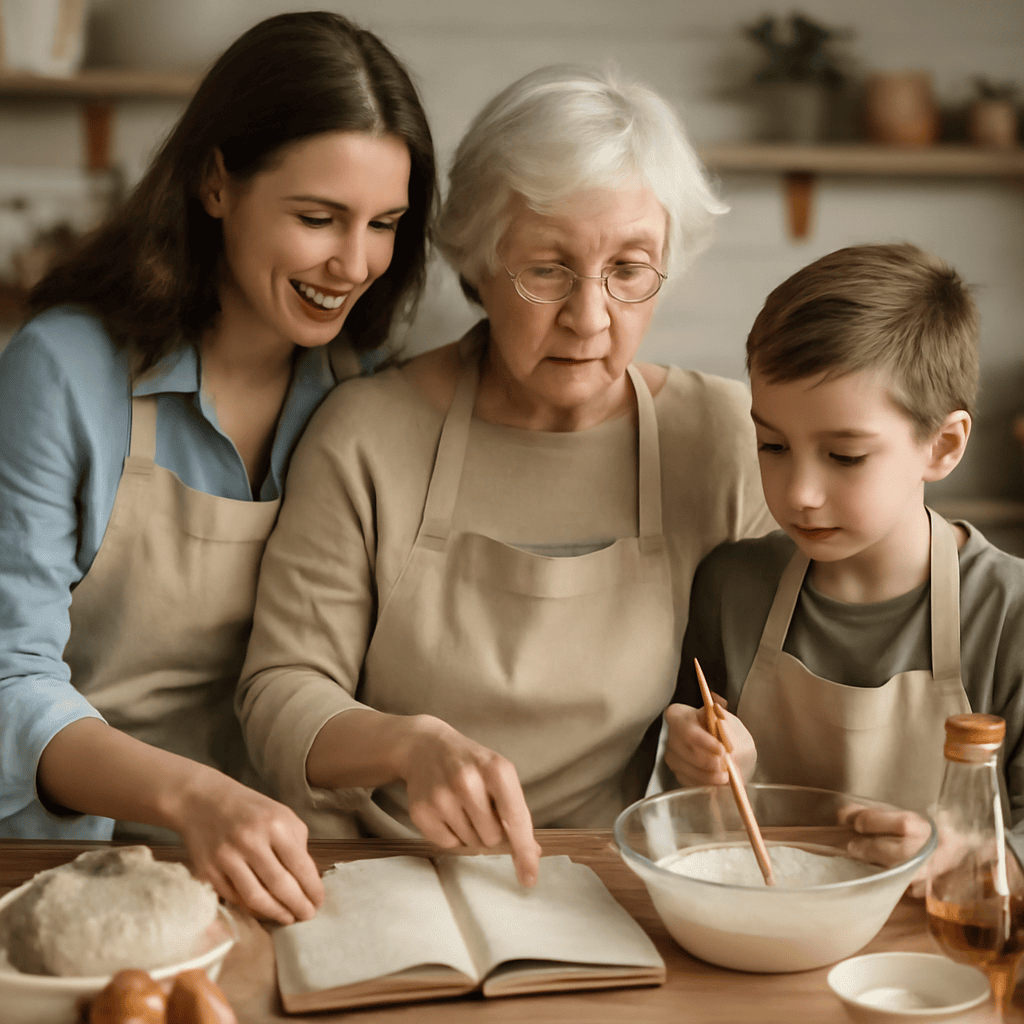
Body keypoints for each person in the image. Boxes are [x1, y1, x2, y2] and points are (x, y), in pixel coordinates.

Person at [236, 64, 774, 888]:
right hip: (379, 869)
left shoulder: (725, 438)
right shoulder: (367, 435)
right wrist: (409, 746)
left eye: (630, 270)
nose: (590, 318)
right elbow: (279, 691)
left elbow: (778, 687)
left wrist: (727, 743)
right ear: (480, 261)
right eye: (548, 270)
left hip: (614, 877)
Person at [0, 11, 436, 924]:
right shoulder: (63, 369)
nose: (353, 263)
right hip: (71, 858)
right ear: (214, 183)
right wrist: (195, 798)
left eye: (384, 224)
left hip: (292, 860)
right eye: (317, 217)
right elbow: (10, 680)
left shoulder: (361, 389)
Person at [665, 243, 1024, 870]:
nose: (799, 493)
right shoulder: (730, 588)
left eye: (845, 456)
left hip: (932, 954)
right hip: (762, 938)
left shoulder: (1009, 613)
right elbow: (688, 819)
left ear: (942, 446)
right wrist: (707, 766)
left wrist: (972, 853)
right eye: (773, 444)